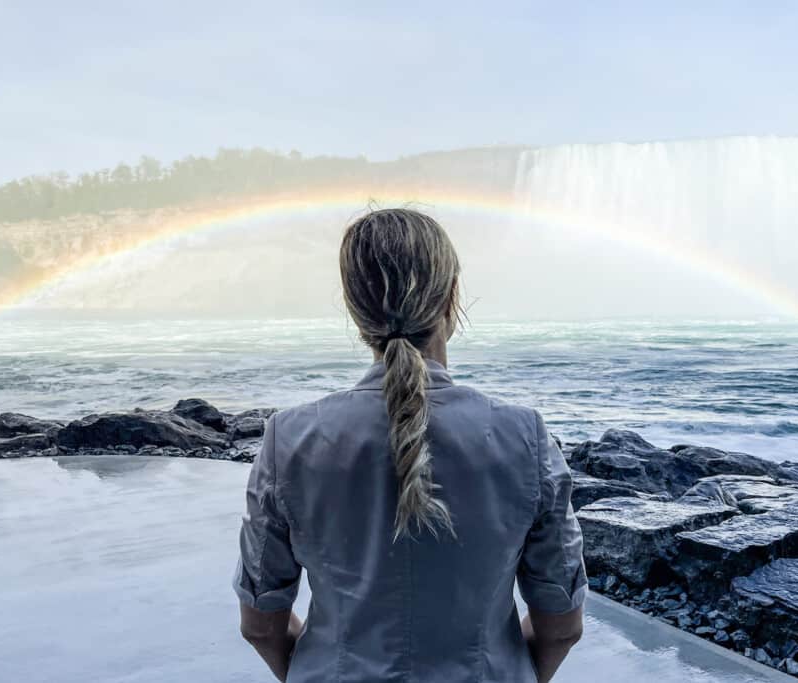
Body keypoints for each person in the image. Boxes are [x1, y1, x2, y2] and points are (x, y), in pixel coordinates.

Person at [235, 208, 588, 682]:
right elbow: (561, 627)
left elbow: (261, 626)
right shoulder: (524, 437)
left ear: (354, 309)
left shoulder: (289, 440)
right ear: (452, 300)